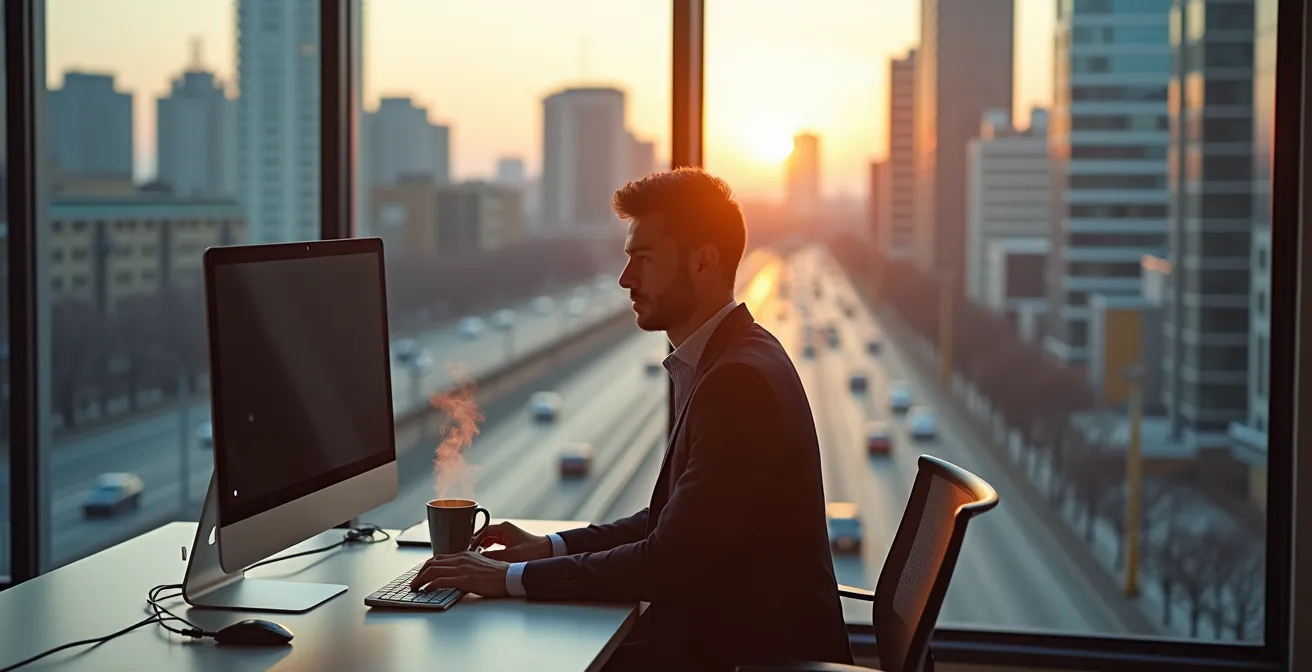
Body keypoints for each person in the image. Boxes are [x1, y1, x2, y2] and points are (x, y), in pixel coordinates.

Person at [409, 167, 852, 671]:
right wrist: (548, 548)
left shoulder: (737, 384)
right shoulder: (735, 355)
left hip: (748, 660)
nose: (625, 279)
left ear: (703, 262)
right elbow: (675, 523)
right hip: (727, 644)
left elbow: (667, 560)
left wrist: (508, 579)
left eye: (644, 259)